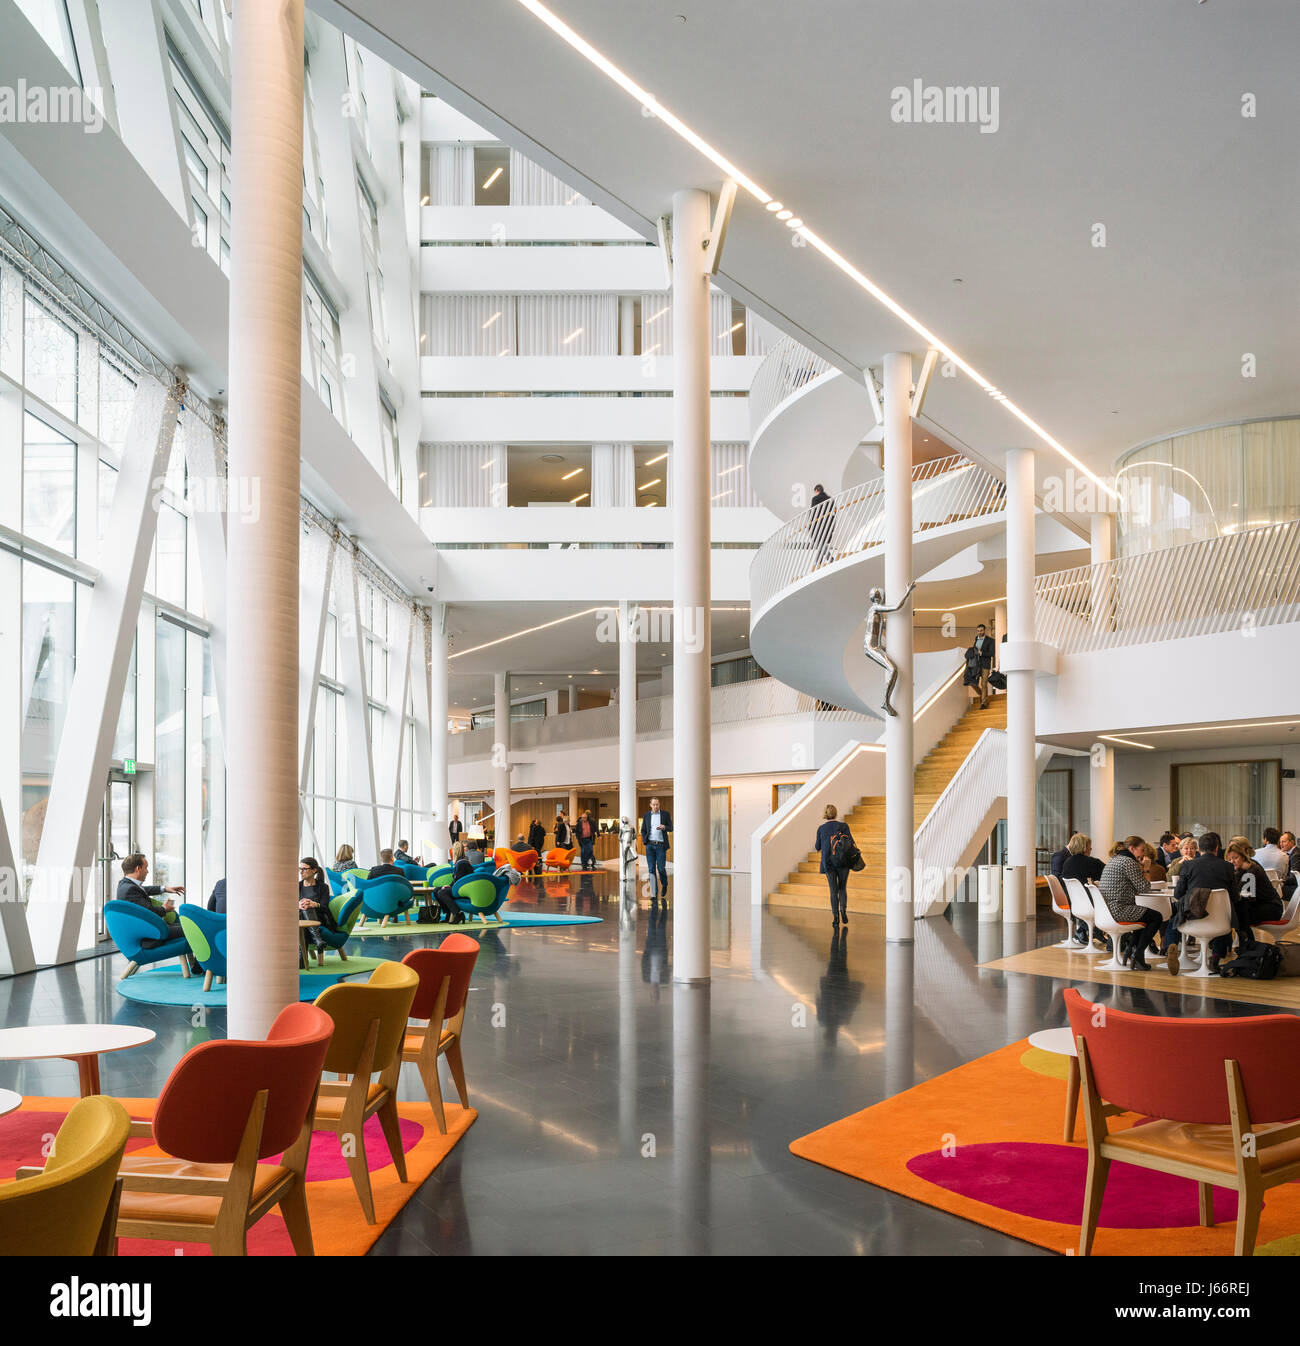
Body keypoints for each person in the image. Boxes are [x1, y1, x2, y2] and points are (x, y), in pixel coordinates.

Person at [1164, 831, 1237, 974]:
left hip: (1192, 918)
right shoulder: (1227, 867)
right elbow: (1234, 896)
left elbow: (1178, 894)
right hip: (1219, 922)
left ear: (1199, 849)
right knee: (1226, 916)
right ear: (1217, 848)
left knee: (1176, 915)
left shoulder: (1188, 866)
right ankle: (1215, 957)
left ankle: (1170, 946)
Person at [115, 854, 196, 971]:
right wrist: (164, 909)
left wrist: (164, 888)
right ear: (138, 869)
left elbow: (144, 890)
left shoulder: (125, 885)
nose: (147, 871)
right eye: (146, 867)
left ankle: (197, 964)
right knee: (193, 927)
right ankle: (201, 965)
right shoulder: (130, 889)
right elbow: (149, 912)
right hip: (151, 936)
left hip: (148, 931)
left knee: (188, 925)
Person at [1096, 835, 1160, 970]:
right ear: (1132, 848)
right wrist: (1147, 868)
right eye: (1142, 850)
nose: (1144, 853)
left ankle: (1130, 951)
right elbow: (1145, 888)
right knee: (1156, 917)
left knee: (1143, 916)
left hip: (1106, 911)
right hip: (1119, 910)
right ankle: (1138, 954)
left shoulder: (1114, 860)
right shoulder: (1128, 862)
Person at [1225, 839, 1283, 948]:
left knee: (1238, 913)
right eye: (1229, 859)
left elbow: (1245, 896)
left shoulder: (1252, 871)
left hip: (1272, 908)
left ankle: (1247, 944)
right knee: (1238, 912)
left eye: (1235, 858)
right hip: (1259, 905)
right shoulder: (1240, 870)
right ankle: (1246, 944)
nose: (1232, 861)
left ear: (1243, 857)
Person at [814, 804, 855, 928]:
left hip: (828, 863)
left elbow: (817, 846)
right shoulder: (844, 826)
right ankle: (843, 911)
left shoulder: (821, 828)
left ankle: (835, 917)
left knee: (833, 890)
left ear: (825, 814)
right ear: (836, 813)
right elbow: (851, 842)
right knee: (842, 888)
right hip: (843, 862)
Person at [1060, 834, 1103, 944]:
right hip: (1088, 905)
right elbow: (1109, 874)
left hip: (1073, 903)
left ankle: (1087, 930)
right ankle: (1093, 930)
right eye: (1089, 846)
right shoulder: (1092, 862)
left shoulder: (1067, 863)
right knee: (1106, 903)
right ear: (1084, 847)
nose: (1091, 849)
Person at [298, 857, 335, 965]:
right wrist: (298, 904)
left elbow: (324, 907)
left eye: (304, 869)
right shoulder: (297, 886)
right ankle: (317, 940)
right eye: (300, 869)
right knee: (302, 912)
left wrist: (314, 904)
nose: (301, 871)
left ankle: (301, 960)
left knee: (307, 906)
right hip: (300, 920)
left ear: (314, 870)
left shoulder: (323, 887)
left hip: (319, 919)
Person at [641, 797, 672, 901]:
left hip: (660, 845)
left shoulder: (665, 814)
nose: (655, 806)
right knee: (651, 869)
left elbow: (671, 827)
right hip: (649, 845)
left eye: (657, 804)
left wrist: (664, 827)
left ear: (659, 804)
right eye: (654, 804)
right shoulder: (646, 815)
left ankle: (664, 884)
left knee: (661, 868)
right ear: (650, 805)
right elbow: (643, 830)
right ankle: (654, 892)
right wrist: (645, 841)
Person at [809, 483, 834, 566]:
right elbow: (833, 512)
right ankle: (818, 563)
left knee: (820, 543)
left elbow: (812, 513)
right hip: (828, 525)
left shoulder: (815, 499)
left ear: (816, 490)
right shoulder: (830, 499)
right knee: (822, 543)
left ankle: (830, 559)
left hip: (818, 525)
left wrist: (810, 526)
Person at [972, 623, 995, 708]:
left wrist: (981, 653)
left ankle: (983, 703)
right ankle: (983, 696)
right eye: (978, 631)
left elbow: (992, 653)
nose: (979, 632)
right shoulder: (976, 639)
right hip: (976, 665)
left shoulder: (990, 640)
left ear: (984, 630)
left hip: (985, 665)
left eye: (981, 630)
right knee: (972, 682)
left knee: (984, 684)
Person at [619, 815, 638, 885]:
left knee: (635, 856)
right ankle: (624, 875)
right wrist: (623, 840)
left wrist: (630, 838)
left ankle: (627, 861)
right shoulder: (622, 828)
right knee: (624, 859)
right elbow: (619, 837)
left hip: (629, 844)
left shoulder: (632, 827)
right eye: (624, 819)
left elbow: (634, 836)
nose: (625, 820)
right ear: (623, 821)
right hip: (624, 844)